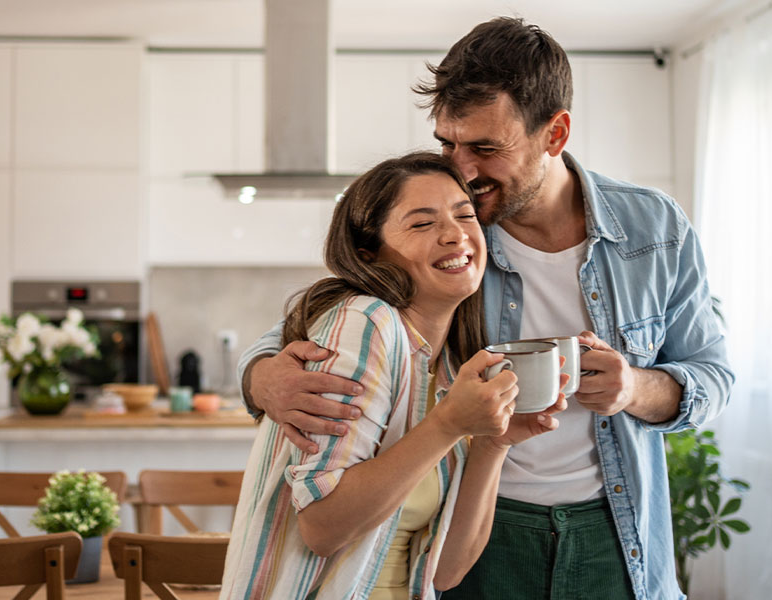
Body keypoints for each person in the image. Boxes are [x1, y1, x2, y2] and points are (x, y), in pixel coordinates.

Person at [237, 17, 733, 600]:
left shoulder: (653, 227)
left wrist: (634, 389)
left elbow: (713, 378)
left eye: (485, 148)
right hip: (475, 530)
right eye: (448, 143)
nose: (462, 170)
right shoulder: (453, 237)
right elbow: (300, 333)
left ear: (555, 133)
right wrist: (263, 380)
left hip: (618, 531)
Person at [219, 153, 567, 600]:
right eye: (422, 224)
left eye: (465, 215)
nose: (455, 234)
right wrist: (448, 426)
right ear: (369, 254)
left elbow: (445, 572)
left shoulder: (448, 364)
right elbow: (322, 527)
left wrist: (494, 442)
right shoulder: (366, 322)